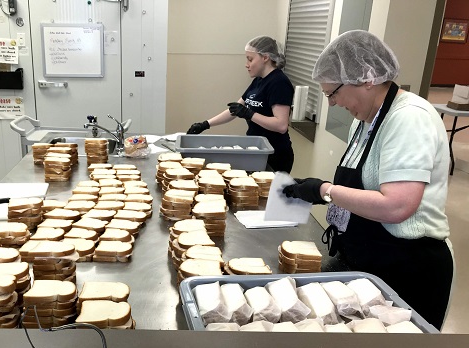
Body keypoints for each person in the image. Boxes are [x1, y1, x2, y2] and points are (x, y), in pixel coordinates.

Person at [283, 30, 454, 330]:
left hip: (407, 266)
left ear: (366, 76)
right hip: (367, 259)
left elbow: (397, 206)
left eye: (333, 93)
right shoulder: (364, 122)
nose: (333, 104)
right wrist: (315, 189)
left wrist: (324, 190)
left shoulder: (408, 118)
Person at [187, 36, 295, 173]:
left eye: (250, 59)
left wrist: (250, 114)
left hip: (275, 155)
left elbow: (281, 125)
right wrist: (205, 124)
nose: (247, 64)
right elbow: (235, 110)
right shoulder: (259, 80)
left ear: (265, 57)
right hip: (257, 151)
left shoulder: (279, 83)